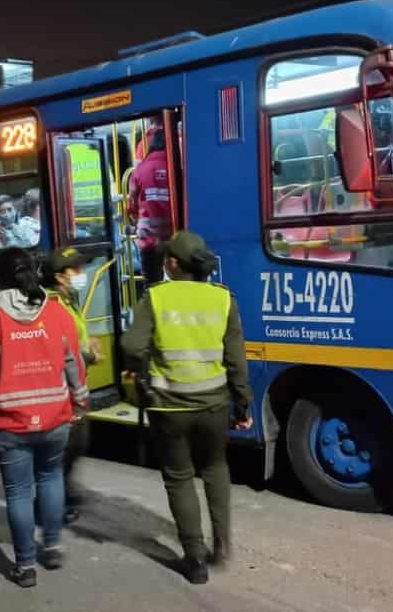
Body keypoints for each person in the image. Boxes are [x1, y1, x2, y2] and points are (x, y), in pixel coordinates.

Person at [120, 230, 253, 585]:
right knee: (215, 469)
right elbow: (236, 359)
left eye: (166, 258)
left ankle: (194, 560)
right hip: (213, 405)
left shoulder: (156, 298)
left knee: (179, 478)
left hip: (169, 407)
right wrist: (243, 403)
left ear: (174, 264)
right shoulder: (223, 299)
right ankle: (221, 544)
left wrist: (142, 366)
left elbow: (132, 347)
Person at [0, 247, 88, 588]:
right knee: (51, 479)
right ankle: (52, 546)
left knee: (18, 492)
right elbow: (73, 364)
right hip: (54, 419)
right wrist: (80, 402)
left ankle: (25, 566)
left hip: (10, 425)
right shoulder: (56, 313)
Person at [40, 246, 101, 525]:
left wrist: (87, 349)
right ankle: (50, 505)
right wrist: (88, 354)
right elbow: (59, 348)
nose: (80, 273)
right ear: (59, 276)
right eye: (74, 269)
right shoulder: (52, 305)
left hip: (74, 383)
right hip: (61, 388)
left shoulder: (67, 300)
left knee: (77, 443)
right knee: (65, 448)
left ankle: (60, 495)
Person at [126, 127, 173, 285]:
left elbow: (131, 205)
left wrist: (134, 220)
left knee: (152, 285)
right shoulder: (177, 167)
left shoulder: (139, 171)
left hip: (148, 238)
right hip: (174, 238)